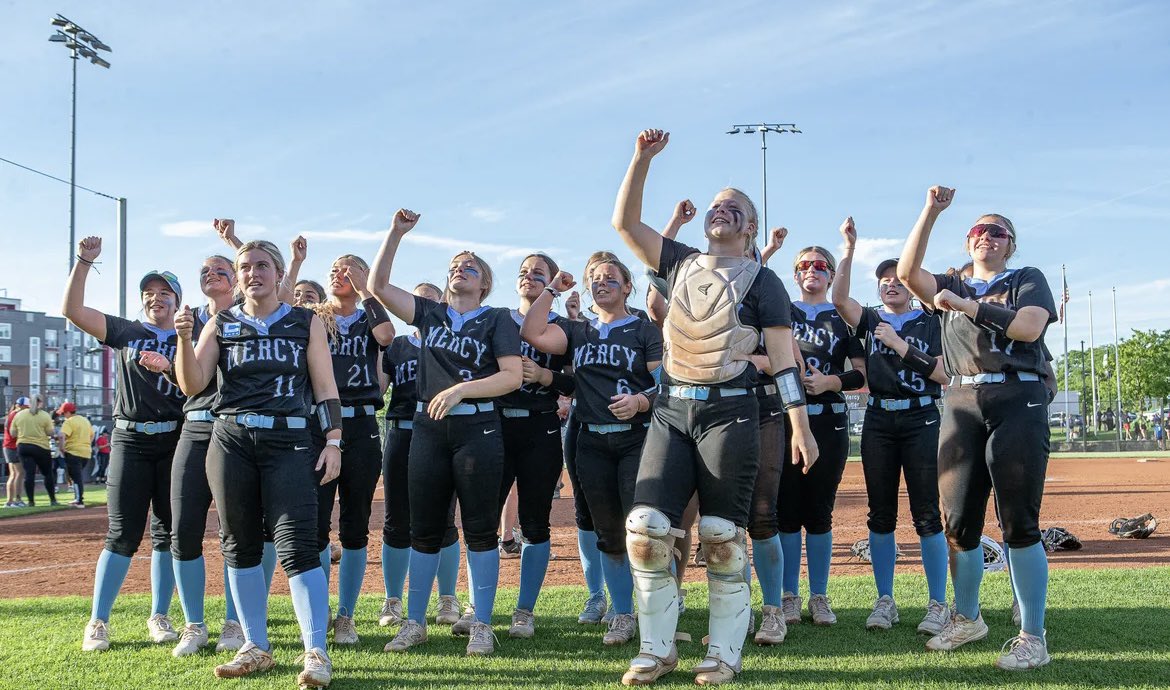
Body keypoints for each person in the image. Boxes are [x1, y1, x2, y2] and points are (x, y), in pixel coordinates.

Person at [612, 129, 816, 686]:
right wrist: (642, 159)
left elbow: (784, 361)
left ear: (750, 227)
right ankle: (657, 649)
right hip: (672, 411)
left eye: (736, 206)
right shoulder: (678, 264)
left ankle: (724, 652)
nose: (721, 208)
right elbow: (625, 225)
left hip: (730, 413)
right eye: (716, 203)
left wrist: (800, 425)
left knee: (723, 537)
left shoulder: (765, 280)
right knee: (647, 529)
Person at [898, 186, 1058, 670]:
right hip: (963, 399)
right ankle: (968, 617)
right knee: (959, 522)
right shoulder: (952, 281)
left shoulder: (1027, 277)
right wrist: (930, 211)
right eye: (977, 231)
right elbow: (907, 274)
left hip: (1018, 396)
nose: (986, 236)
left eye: (997, 231)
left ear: (1010, 244)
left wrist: (968, 307)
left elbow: (1029, 327)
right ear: (967, 243)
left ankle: (1033, 636)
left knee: (1019, 524)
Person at [174, 239, 341, 687]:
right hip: (230, 439)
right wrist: (185, 338)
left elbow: (325, 387)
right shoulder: (221, 321)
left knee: (297, 545)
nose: (253, 273)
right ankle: (256, 646)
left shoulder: (306, 322)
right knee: (240, 543)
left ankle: (315, 652)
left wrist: (334, 441)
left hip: (289, 439)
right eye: (245, 266)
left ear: (278, 272)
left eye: (262, 265)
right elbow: (193, 384)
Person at [371, 209, 523, 657]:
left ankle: (480, 623)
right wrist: (395, 233)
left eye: (470, 266)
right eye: (456, 265)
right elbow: (378, 287)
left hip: (477, 427)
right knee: (424, 529)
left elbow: (512, 376)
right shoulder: (431, 314)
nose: (461, 269)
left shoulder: (497, 319)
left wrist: (460, 389)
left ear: (485, 283)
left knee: (478, 528)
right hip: (428, 428)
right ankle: (414, 622)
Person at [521, 256, 662, 647]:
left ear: (627, 287)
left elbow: (664, 386)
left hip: (636, 438)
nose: (602, 285)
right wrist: (552, 289)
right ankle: (621, 612)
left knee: (643, 530)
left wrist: (640, 402)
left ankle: (655, 606)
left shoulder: (644, 330)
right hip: (591, 441)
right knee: (609, 534)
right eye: (594, 280)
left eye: (610, 279)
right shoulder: (577, 329)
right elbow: (532, 331)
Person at [63, 237, 187, 651]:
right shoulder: (128, 332)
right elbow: (73, 311)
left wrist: (171, 366)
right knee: (121, 533)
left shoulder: (194, 335)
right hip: (130, 440)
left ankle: (160, 615)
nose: (156, 299)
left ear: (178, 300)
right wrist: (85, 262)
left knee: (169, 534)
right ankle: (97, 621)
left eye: (165, 293)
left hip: (175, 439)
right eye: (149, 293)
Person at [831, 217, 950, 634]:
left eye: (896, 277)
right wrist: (847, 250)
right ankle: (885, 600)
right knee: (880, 515)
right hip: (880, 419)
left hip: (922, 417)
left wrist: (899, 347)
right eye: (882, 279)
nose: (889, 284)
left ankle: (938, 604)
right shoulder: (867, 320)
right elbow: (839, 297)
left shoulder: (931, 320)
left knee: (927, 514)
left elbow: (944, 375)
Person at [163, 245, 275, 657]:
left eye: (222, 269)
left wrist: (236, 241)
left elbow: (265, 262)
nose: (212, 274)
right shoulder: (192, 320)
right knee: (184, 529)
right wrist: (182, 339)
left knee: (244, 532)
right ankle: (194, 624)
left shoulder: (256, 318)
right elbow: (189, 382)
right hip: (196, 430)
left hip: (239, 435)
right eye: (205, 270)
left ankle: (237, 621)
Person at [763, 231, 866, 629]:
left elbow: (862, 374)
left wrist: (831, 383)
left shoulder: (843, 317)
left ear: (831, 274)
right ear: (794, 274)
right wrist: (769, 249)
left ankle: (819, 596)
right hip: (786, 417)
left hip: (828, 419)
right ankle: (789, 596)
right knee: (786, 510)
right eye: (804, 265)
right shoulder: (781, 312)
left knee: (820, 511)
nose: (812, 271)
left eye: (820, 266)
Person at [303, 252, 396, 646]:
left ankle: (346, 615)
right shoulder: (314, 316)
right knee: (317, 523)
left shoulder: (369, 315)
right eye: (333, 270)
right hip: (319, 422)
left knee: (356, 525)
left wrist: (367, 291)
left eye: (348, 269)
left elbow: (387, 337)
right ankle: (321, 608)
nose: (338, 274)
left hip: (360, 422)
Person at [490, 252, 575, 639]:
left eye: (538, 273)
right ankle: (479, 606)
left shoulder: (567, 328)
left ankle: (524, 610)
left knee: (536, 521)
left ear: (553, 282)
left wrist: (546, 377)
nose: (529, 277)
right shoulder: (496, 319)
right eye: (523, 272)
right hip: (494, 426)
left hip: (540, 428)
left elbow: (576, 383)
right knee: (482, 519)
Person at [377, 282, 464, 633]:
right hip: (401, 429)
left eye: (431, 299)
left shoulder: (453, 342)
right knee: (396, 517)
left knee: (444, 517)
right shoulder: (398, 345)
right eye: (418, 298)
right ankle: (393, 599)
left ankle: (447, 597)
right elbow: (376, 388)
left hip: (439, 428)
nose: (424, 304)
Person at [13, 396, 57, 507]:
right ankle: (52, 500)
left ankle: (31, 501)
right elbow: (50, 432)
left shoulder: (19, 415)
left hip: (23, 446)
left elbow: (13, 433)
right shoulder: (44, 415)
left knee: (29, 474)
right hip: (41, 447)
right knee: (47, 474)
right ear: (40, 403)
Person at [56, 402, 94, 508]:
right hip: (86, 453)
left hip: (73, 452)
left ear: (68, 412)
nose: (63, 415)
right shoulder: (85, 420)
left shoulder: (69, 421)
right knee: (76, 476)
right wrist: (85, 445)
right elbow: (92, 435)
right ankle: (77, 498)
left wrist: (61, 448)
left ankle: (79, 500)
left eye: (64, 413)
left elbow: (62, 435)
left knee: (76, 477)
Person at [4, 399, 29, 507]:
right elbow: (13, 433)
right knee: (20, 473)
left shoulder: (12, 414)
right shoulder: (15, 415)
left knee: (14, 474)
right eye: (27, 407)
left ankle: (10, 501)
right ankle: (17, 500)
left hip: (9, 446)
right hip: (13, 447)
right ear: (21, 406)